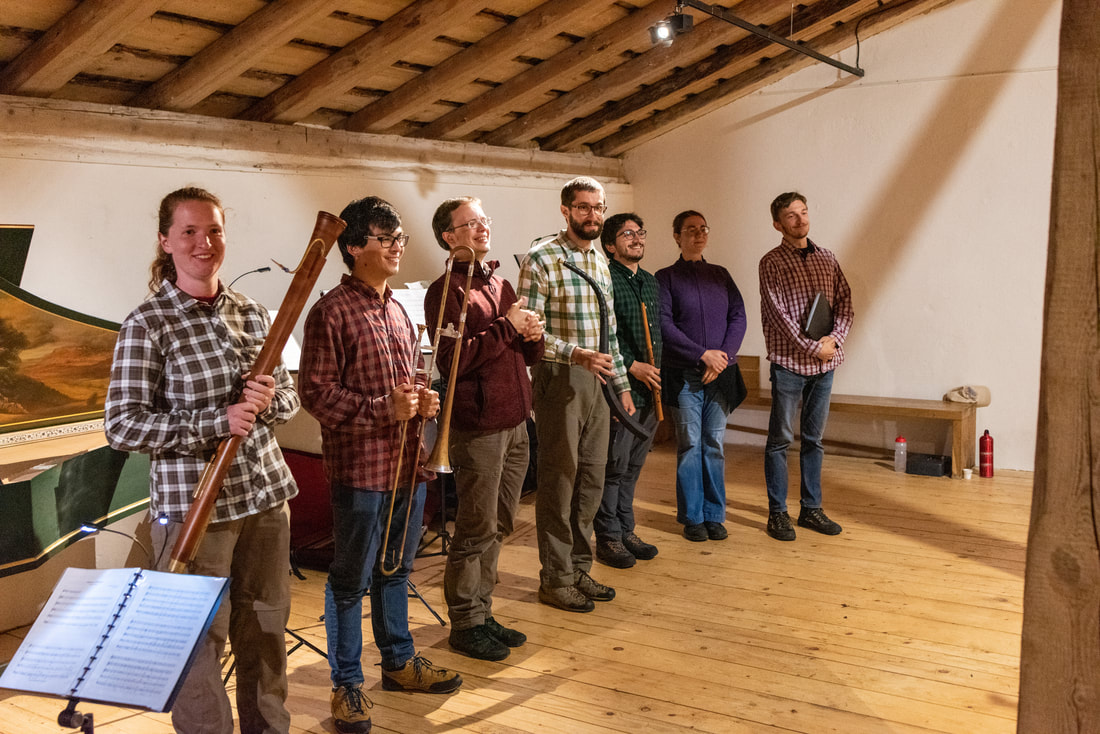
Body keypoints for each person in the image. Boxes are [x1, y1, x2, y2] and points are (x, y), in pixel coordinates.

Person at [105, 186, 299, 734]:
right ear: (165, 241)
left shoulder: (252, 313)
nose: (203, 243)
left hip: (264, 496)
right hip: (195, 509)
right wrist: (217, 421)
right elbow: (122, 425)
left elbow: (288, 398)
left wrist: (267, 401)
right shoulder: (148, 323)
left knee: (265, 630)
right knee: (196, 642)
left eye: (213, 230)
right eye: (188, 231)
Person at [298, 196, 461, 734]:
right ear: (353, 246)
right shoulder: (330, 312)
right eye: (384, 239)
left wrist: (422, 400)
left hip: (408, 463)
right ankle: (347, 683)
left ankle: (398, 663)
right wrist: (381, 409)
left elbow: (403, 386)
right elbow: (316, 394)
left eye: (399, 239)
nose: (396, 248)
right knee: (350, 581)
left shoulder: (397, 310)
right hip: (361, 471)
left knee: (396, 570)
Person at [425, 196, 544, 661]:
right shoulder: (445, 292)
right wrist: (507, 327)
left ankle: (483, 611)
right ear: (448, 237)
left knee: (500, 523)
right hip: (479, 428)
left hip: (516, 422)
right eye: (470, 223)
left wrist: (531, 337)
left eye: (484, 220)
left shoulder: (500, 283)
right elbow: (451, 361)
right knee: (475, 527)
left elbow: (521, 354)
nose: (482, 228)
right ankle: (465, 620)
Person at [517, 176, 634, 613]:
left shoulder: (600, 259)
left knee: (591, 480)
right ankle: (556, 578)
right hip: (559, 378)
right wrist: (576, 354)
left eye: (599, 207)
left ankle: (579, 568)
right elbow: (529, 332)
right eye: (583, 207)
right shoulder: (542, 258)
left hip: (599, 381)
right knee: (560, 481)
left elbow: (611, 334)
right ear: (566, 210)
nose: (593, 215)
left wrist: (621, 386)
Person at [760, 192, 854, 541]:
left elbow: (845, 303)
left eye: (803, 212)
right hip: (789, 365)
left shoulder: (827, 257)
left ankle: (811, 509)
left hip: (825, 367)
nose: (800, 220)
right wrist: (815, 347)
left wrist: (835, 341)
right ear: (778, 224)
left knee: (814, 440)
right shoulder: (771, 263)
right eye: (791, 215)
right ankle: (777, 514)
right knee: (780, 441)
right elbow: (778, 315)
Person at [656, 210, 747, 542]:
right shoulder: (665, 278)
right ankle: (693, 517)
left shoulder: (720, 274)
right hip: (685, 375)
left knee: (714, 444)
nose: (698, 234)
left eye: (703, 228)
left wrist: (722, 358)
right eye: (690, 229)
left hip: (720, 375)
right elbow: (664, 324)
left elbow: (738, 316)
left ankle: (714, 515)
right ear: (676, 236)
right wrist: (701, 354)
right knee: (690, 444)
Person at [594, 212, 662, 568]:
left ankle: (625, 529)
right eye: (627, 234)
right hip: (623, 387)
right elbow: (605, 334)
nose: (637, 239)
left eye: (640, 232)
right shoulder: (605, 279)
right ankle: (608, 536)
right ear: (610, 245)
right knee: (614, 466)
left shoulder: (650, 282)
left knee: (634, 466)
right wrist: (633, 365)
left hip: (651, 389)